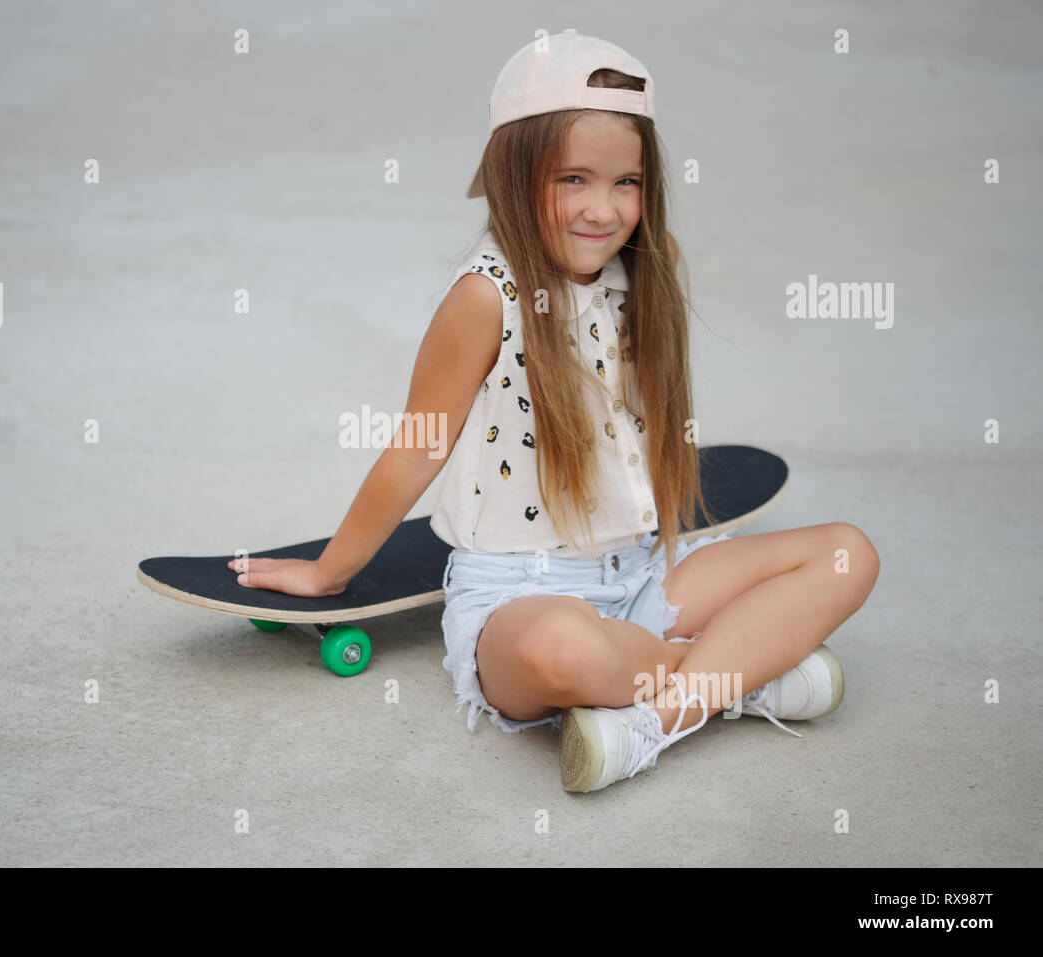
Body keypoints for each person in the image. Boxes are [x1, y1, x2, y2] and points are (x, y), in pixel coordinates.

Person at [225, 31, 880, 792]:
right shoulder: (483, 297)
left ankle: (650, 723)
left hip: (644, 574)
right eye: (574, 178)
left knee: (849, 552)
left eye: (626, 182)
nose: (604, 210)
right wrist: (330, 572)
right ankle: (745, 673)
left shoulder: (652, 263)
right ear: (514, 173)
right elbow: (417, 447)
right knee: (564, 651)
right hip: (519, 594)